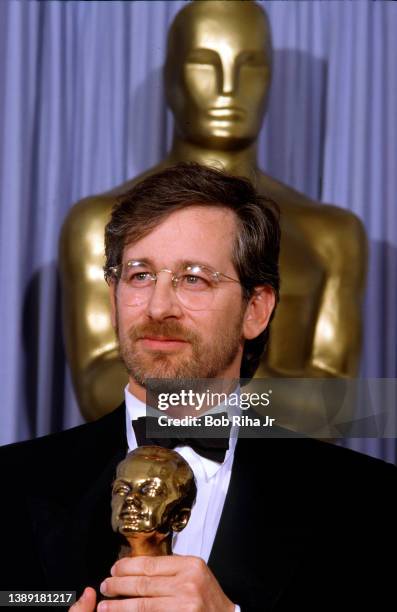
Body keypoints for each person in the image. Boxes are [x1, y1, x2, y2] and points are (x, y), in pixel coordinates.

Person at [0, 163, 394, 612]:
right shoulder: (10, 486)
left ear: (256, 310)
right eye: (140, 275)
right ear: (113, 297)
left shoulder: (368, 503)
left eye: (193, 278)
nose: (158, 307)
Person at [59, 0, 367, 423]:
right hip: (133, 472)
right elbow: (98, 391)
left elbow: (339, 408)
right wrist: (256, 388)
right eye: (205, 64)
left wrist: (188, 378)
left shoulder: (332, 234)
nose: (228, 87)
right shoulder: (97, 223)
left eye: (251, 66)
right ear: (170, 78)